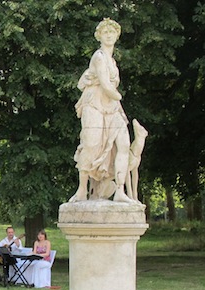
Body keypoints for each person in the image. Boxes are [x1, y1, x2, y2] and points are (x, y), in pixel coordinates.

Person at [70, 18, 134, 203]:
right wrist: (120, 98)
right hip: (95, 102)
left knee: (123, 144)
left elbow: (110, 88)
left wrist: (117, 102)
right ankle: (82, 190)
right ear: (99, 36)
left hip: (112, 105)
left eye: (112, 32)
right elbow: (106, 85)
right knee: (90, 144)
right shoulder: (98, 57)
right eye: (105, 32)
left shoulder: (112, 61)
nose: (108, 35)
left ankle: (120, 191)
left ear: (117, 36)